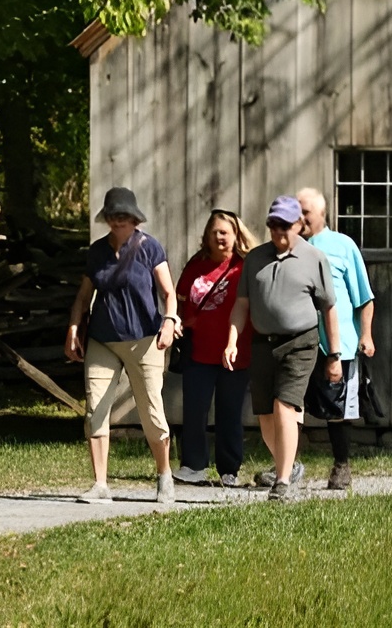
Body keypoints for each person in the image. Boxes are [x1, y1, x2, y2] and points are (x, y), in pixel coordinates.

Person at [65, 187, 180, 504]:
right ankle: (100, 484)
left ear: (134, 218)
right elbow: (83, 297)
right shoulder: (97, 251)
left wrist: (169, 322)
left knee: (151, 410)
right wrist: (73, 329)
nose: (118, 222)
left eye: (124, 216)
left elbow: (169, 293)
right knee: (95, 408)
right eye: (113, 216)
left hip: (145, 340)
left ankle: (164, 475)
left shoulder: (149, 248)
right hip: (103, 339)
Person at [224, 195, 340, 501]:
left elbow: (329, 308)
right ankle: (288, 466)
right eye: (273, 226)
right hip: (263, 343)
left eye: (285, 226)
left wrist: (335, 355)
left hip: (300, 343)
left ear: (299, 225)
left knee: (284, 406)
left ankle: (283, 482)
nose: (279, 232)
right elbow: (241, 304)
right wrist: (233, 339)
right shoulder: (255, 258)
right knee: (265, 417)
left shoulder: (314, 258)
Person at [297, 187, 376, 491]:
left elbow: (365, 297)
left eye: (306, 212)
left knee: (339, 410)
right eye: (298, 212)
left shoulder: (342, 246)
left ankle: (341, 466)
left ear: (321, 213)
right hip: (300, 341)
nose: (301, 218)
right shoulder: (291, 247)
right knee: (291, 404)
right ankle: (288, 467)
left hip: (338, 344)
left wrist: (366, 335)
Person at [172, 209, 257, 487]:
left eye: (225, 232)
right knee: (194, 411)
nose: (219, 237)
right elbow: (180, 297)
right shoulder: (196, 265)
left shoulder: (245, 266)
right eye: (214, 232)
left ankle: (229, 470)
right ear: (207, 236)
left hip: (235, 351)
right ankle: (194, 466)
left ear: (236, 235)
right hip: (198, 350)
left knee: (229, 412)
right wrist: (180, 320)